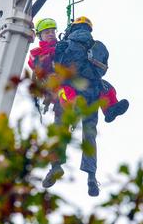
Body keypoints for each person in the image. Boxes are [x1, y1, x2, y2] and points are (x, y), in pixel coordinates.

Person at [29, 17, 128, 196]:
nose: (51, 34)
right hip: (61, 89)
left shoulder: (66, 44)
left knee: (102, 92)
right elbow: (40, 68)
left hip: (74, 88)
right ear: (40, 36)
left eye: (52, 31)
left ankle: (90, 176)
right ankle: (57, 167)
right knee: (69, 123)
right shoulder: (39, 52)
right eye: (47, 32)